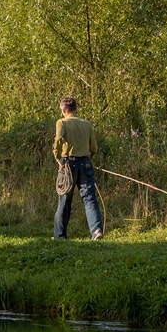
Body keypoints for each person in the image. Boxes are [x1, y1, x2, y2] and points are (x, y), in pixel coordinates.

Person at [52, 96, 104, 239]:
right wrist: (87, 159)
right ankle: (96, 231)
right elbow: (94, 147)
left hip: (68, 163)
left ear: (63, 110)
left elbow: (57, 143)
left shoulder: (61, 122)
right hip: (86, 163)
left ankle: (60, 235)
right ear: (75, 109)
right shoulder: (87, 124)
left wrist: (59, 160)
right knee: (89, 199)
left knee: (64, 199)